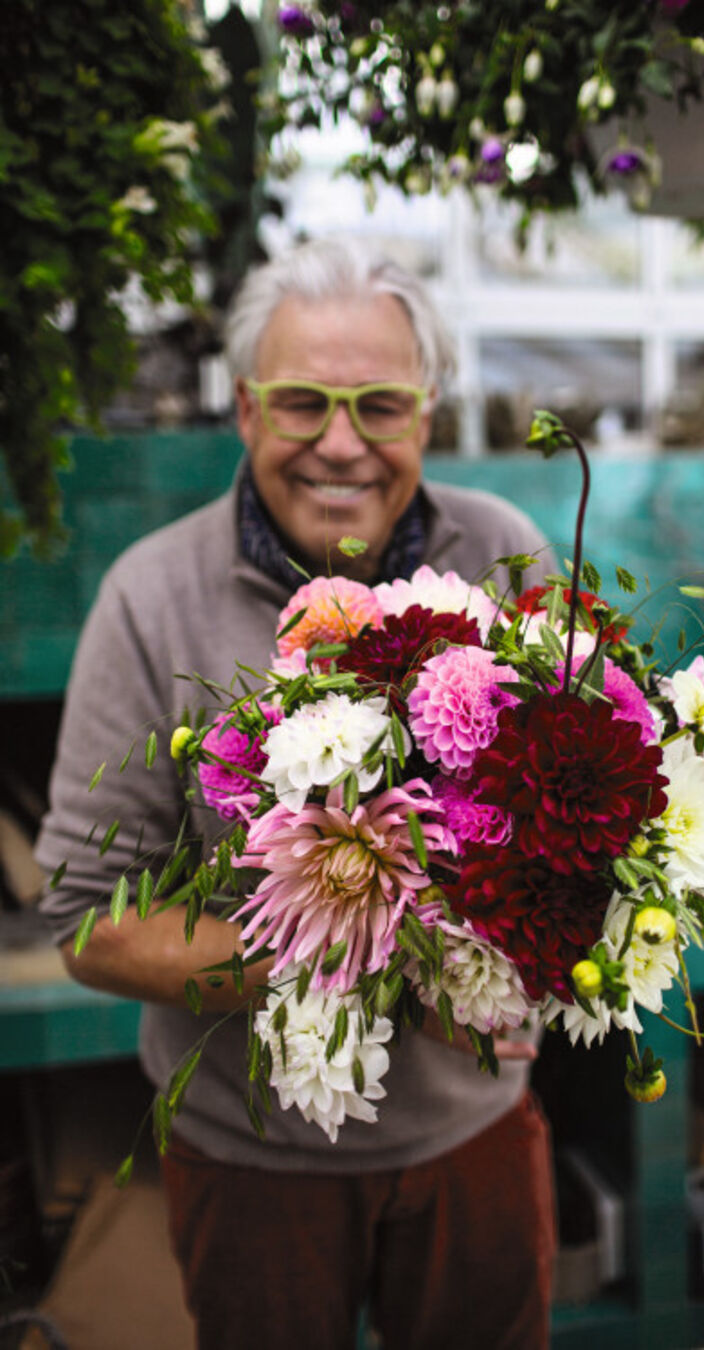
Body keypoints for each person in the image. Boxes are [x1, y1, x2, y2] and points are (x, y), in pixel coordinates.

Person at [36, 237, 558, 1350]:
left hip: (474, 1134)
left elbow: (569, 818)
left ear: (426, 412)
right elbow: (86, 916)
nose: (339, 444)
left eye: (379, 405)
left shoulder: (504, 553)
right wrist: (336, 948)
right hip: (253, 1157)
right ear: (242, 410)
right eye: (302, 403)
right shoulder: (151, 597)